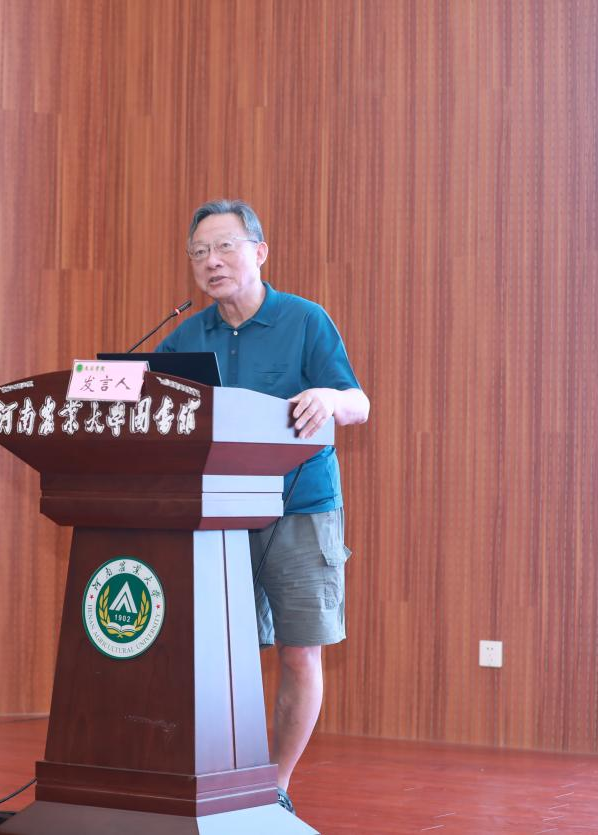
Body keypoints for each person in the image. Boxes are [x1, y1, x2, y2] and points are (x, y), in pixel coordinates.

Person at [156, 199, 370, 814]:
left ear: (260, 252)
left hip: (301, 507)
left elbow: (358, 403)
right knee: (227, 656)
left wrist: (328, 397)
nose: (212, 261)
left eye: (225, 246)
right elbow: (143, 401)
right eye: (199, 252)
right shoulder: (187, 337)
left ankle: (274, 786)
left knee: (299, 651)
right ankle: (226, 778)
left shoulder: (304, 320)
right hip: (217, 517)